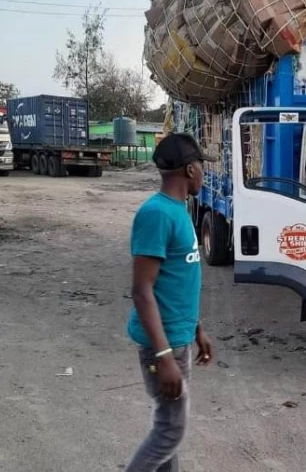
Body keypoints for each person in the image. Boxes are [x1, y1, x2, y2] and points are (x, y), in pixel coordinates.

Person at [125, 133, 215, 472]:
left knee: (168, 426)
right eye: (202, 167)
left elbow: (178, 281)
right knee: (170, 431)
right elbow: (142, 290)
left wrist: (197, 328)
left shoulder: (178, 211)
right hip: (162, 346)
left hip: (177, 337)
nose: (204, 174)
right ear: (190, 169)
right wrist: (164, 357)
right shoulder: (157, 214)